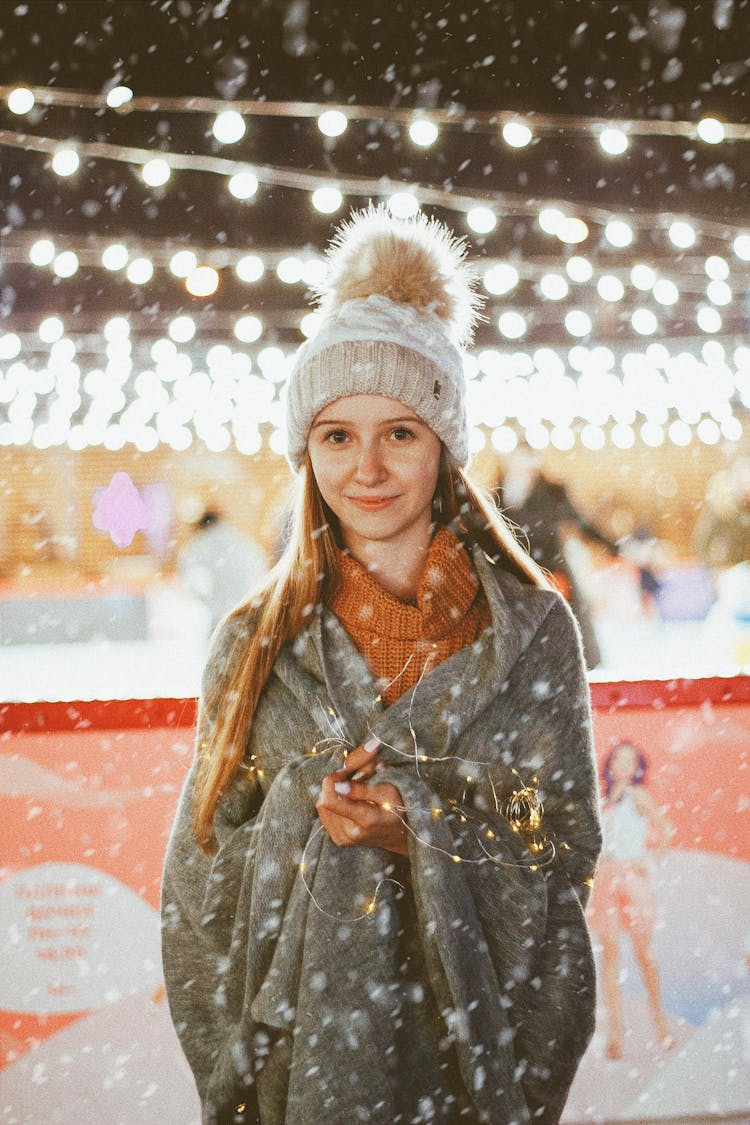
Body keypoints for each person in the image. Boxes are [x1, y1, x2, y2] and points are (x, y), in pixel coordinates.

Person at [161, 205, 602, 1125]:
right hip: (305, 1080)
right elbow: (202, 877)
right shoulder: (254, 643)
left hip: (474, 1076)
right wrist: (305, 814)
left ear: (444, 443)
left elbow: (559, 840)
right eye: (336, 435)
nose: (367, 466)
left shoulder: (532, 632)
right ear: (305, 450)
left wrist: (425, 828)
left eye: (400, 431)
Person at [495, 444, 622, 668]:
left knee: (570, 634)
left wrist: (614, 547)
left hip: (554, 573)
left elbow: (581, 522)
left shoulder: (553, 493)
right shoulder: (497, 496)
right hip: (515, 580)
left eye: (528, 461)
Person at [587, 739, 675, 1061]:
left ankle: (661, 1025)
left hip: (632, 879)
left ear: (637, 766)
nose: (623, 764)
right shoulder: (602, 800)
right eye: (618, 759)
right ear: (609, 764)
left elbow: (668, 830)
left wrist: (648, 860)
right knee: (610, 958)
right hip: (606, 878)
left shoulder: (638, 796)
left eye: (630, 759)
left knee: (644, 955)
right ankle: (617, 1034)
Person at [177, 509, 268, 632]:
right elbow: (261, 565)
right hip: (245, 611)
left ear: (202, 525)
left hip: (218, 616)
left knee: (219, 647)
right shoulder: (243, 542)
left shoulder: (199, 546)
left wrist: (206, 599)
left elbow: (188, 573)